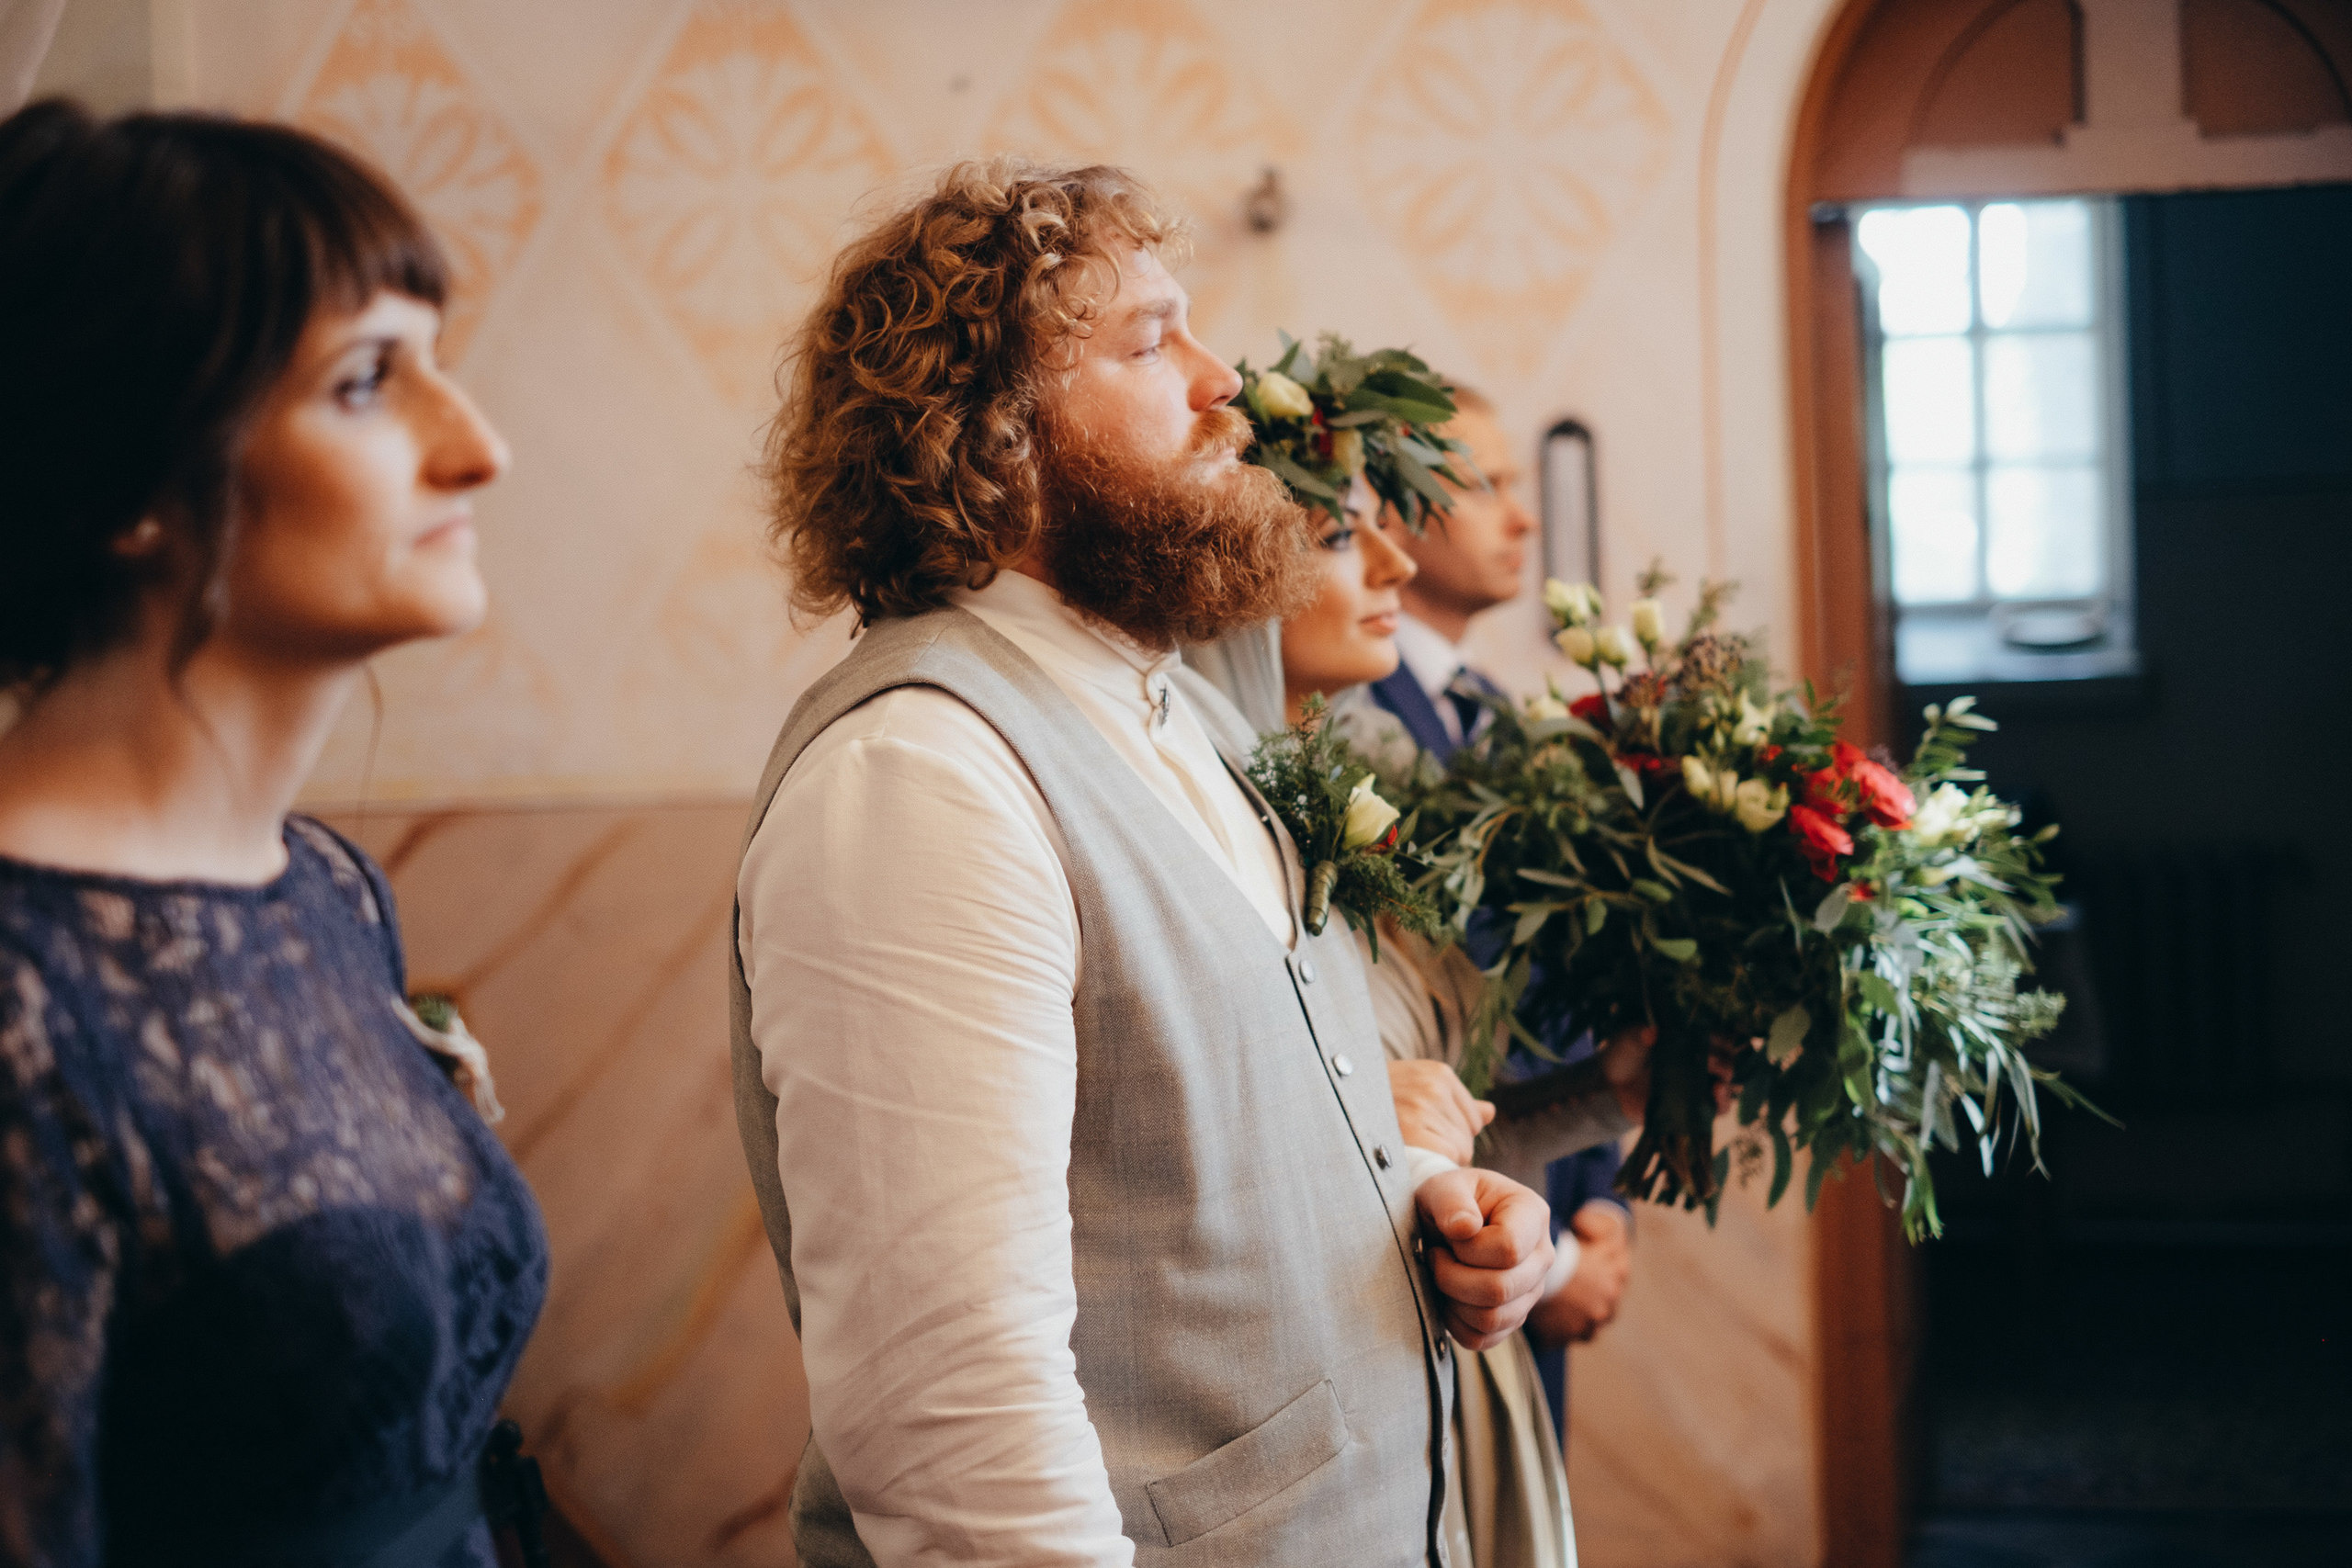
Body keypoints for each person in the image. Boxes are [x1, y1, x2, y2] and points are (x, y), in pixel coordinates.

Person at [732, 160, 1562, 1568]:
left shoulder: (1171, 712)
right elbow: (949, 1427)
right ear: (992, 438)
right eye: (1146, 340)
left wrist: (1430, 1193)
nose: (1221, 379)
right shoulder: (921, 778)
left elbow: (1207, 1122)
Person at [0, 101, 548, 1566]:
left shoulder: (326, 888)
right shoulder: (24, 990)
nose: (479, 445)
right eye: (370, 379)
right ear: (129, 480)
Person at [1366, 389, 1634, 1438]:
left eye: (1519, 487)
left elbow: (1558, 990)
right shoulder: (1352, 727)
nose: (1521, 519)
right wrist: (1553, 1253)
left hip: (1545, 1199)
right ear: (1391, 510)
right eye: (1486, 487)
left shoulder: (1493, 709)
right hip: (1462, 1233)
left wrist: (1598, 1203)